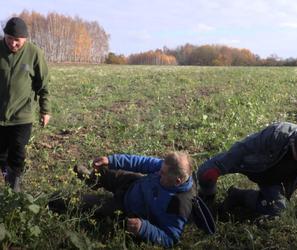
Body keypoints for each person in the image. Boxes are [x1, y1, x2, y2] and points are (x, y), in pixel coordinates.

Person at [50, 151, 196, 247]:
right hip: (133, 184)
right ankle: (91, 179)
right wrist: (111, 160)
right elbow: (142, 162)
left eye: (162, 174)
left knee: (85, 202)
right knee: (106, 171)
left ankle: (54, 199)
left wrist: (144, 228)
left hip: (126, 208)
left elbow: (170, 238)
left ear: (177, 181)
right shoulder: (166, 167)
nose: (158, 173)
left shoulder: (179, 204)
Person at [197, 122, 297, 217]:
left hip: (272, 180)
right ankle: (206, 199)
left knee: (278, 210)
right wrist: (220, 168)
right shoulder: (277, 133)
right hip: (248, 163)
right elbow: (243, 148)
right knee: (206, 172)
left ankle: (238, 196)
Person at [0, 17, 51, 192]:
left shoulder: (34, 53)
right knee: (1, 155)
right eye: (9, 39)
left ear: (25, 39)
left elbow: (43, 85)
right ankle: (7, 179)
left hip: (22, 116)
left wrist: (45, 110)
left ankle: (14, 188)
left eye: (17, 41)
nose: (13, 44)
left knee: (17, 152)